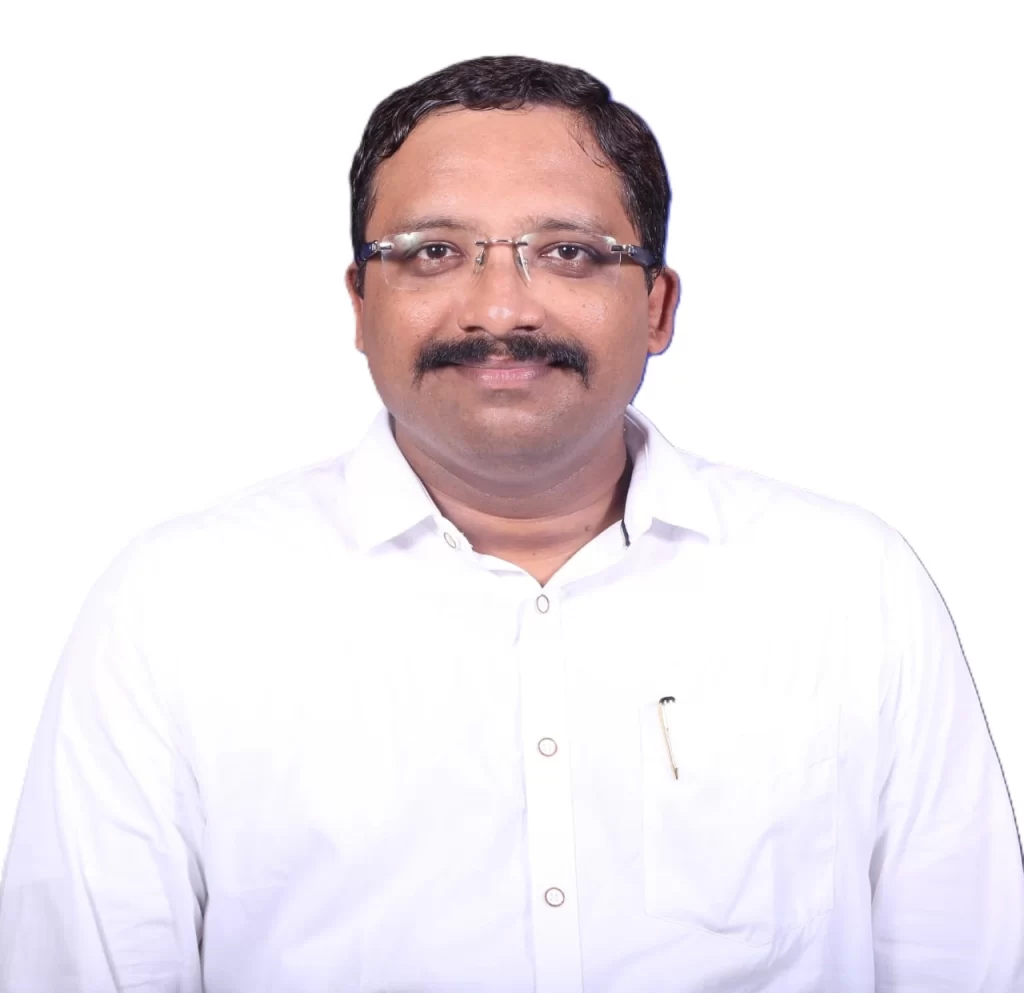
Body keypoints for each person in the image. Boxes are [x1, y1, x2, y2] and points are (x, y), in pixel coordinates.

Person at [0, 54, 1021, 993]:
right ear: (359, 300)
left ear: (658, 306)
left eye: (567, 252)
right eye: (434, 252)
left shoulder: (847, 590)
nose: (499, 310)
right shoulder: (178, 610)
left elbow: (968, 965)